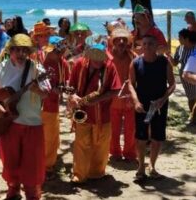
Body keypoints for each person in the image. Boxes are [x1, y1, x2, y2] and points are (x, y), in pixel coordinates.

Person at [0, 34, 49, 200]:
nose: (20, 54)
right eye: (17, 49)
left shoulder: (37, 68)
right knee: (10, 162)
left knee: (33, 164)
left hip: (33, 124)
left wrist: (36, 89)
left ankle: (32, 193)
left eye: (24, 50)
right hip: (8, 123)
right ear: (10, 50)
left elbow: (46, 92)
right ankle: (13, 190)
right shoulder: (1, 67)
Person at [68, 41, 121, 184]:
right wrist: (73, 97)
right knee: (81, 143)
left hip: (102, 113)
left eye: (101, 58)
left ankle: (96, 173)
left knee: (101, 144)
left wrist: (98, 99)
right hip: (82, 110)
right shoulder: (79, 64)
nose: (98, 62)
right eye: (95, 59)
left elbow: (116, 89)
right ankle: (79, 174)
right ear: (89, 56)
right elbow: (70, 86)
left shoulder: (109, 66)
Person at [128, 34, 175, 180]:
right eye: (145, 44)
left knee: (157, 137)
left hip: (159, 105)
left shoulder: (164, 62)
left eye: (150, 44)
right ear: (141, 46)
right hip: (142, 105)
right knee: (140, 137)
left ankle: (152, 166)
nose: (147, 47)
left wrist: (163, 99)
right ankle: (141, 167)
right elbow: (130, 83)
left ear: (156, 47)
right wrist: (135, 101)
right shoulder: (136, 63)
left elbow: (172, 84)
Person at [42, 36, 69, 178]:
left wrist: (63, 89)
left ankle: (48, 163)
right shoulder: (42, 62)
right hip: (41, 104)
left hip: (53, 105)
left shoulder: (62, 63)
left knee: (51, 135)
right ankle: (46, 166)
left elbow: (66, 80)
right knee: (47, 136)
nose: (56, 54)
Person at [109, 28, 136, 161]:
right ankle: (115, 152)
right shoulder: (108, 57)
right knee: (114, 128)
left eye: (124, 40)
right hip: (112, 99)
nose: (121, 42)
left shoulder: (133, 56)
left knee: (130, 129)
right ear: (113, 41)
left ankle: (130, 152)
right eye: (118, 39)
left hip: (130, 98)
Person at [172, 29, 196, 124]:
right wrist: (169, 57)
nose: (178, 39)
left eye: (180, 37)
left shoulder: (195, 48)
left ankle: (193, 118)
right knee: (191, 98)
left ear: (186, 39)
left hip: (194, 76)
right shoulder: (179, 49)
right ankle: (193, 117)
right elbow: (175, 63)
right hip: (185, 79)